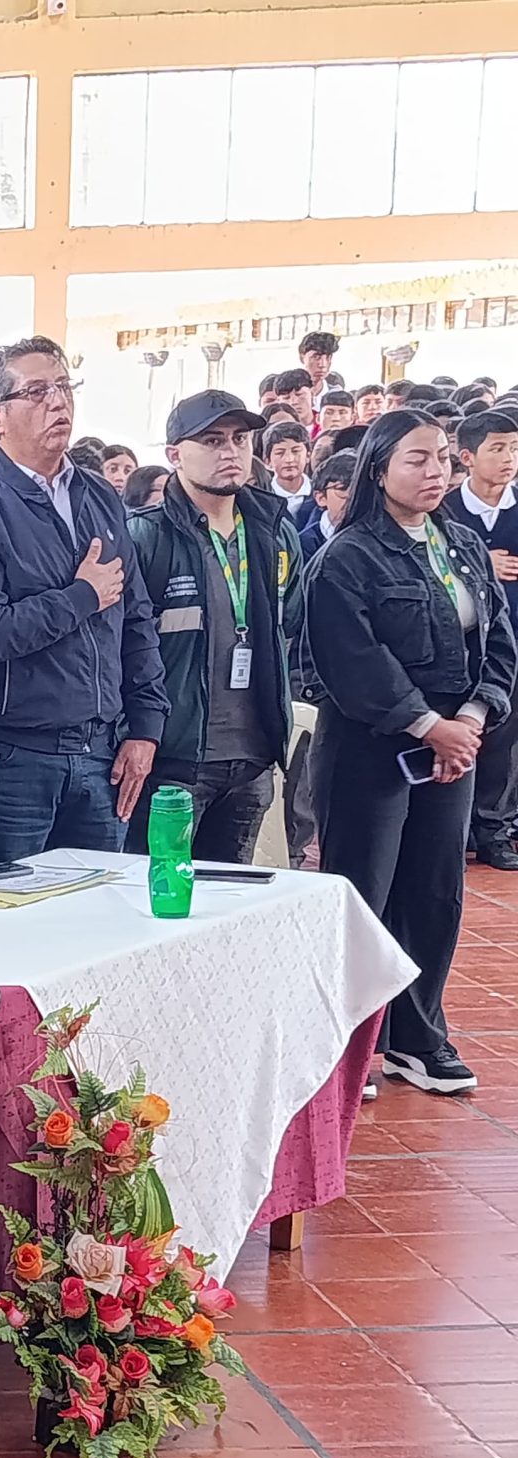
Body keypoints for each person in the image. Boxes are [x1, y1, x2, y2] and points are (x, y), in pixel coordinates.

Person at [305, 411, 517, 1094]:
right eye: (416, 459)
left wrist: (471, 720)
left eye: (443, 459)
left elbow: (498, 642)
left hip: (456, 745)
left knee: (434, 890)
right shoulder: (347, 556)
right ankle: (350, 1046)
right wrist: (428, 725)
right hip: (372, 749)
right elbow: (353, 659)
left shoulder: (460, 545)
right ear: (378, 470)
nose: (435, 472)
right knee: (364, 894)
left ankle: (417, 1038)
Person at [0, 336, 167, 864]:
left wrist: (146, 728)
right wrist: (81, 596)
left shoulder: (99, 495)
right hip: (8, 762)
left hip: (101, 752)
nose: (58, 402)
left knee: (97, 910)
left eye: (64, 387)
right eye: (37, 392)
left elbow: (135, 618)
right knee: (8, 914)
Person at [124, 390, 303, 865]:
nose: (230, 452)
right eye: (212, 440)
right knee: (160, 891)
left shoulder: (274, 531)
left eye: (240, 439)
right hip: (173, 759)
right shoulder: (146, 535)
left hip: (252, 758)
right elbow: (121, 649)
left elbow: (292, 625)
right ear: (174, 454)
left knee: (228, 897)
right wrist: (137, 734)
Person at [439, 410, 518, 870]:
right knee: (461, 730)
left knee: (505, 739)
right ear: (467, 457)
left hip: (510, 644)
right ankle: (457, 828)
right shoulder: (445, 509)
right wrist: (480, 560)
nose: (508, 459)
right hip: (458, 643)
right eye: (497, 448)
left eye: (514, 449)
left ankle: (494, 830)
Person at [264, 421, 314, 520]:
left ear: (308, 456)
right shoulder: (263, 498)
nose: (289, 459)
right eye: (280, 453)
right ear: (268, 461)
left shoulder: (320, 493)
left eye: (296, 451)